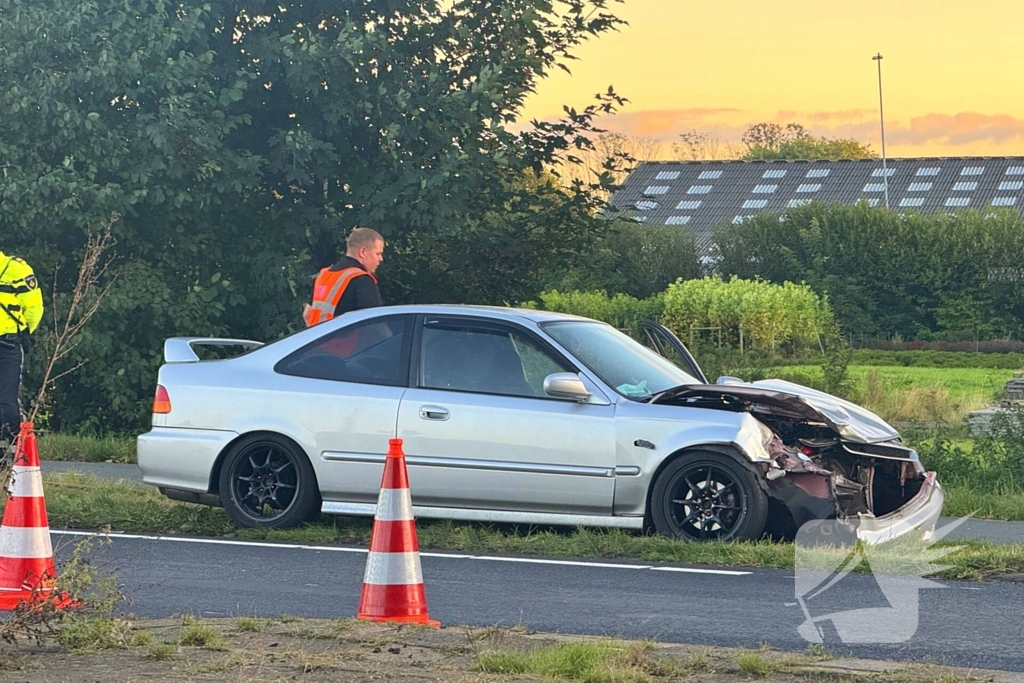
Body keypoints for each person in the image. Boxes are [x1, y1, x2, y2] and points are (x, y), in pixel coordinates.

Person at [0, 250, 44, 447]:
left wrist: (24, 332)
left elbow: (34, 307)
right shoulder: (17, 268)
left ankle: (15, 448)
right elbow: (34, 308)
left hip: (8, 345)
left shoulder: (17, 269)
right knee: (7, 400)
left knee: (7, 401)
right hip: (10, 343)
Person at [303, 227, 385, 326]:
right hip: (347, 341)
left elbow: (307, 315)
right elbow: (375, 325)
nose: (381, 259)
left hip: (317, 340)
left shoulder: (324, 276)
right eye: (378, 253)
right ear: (363, 252)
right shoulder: (362, 280)